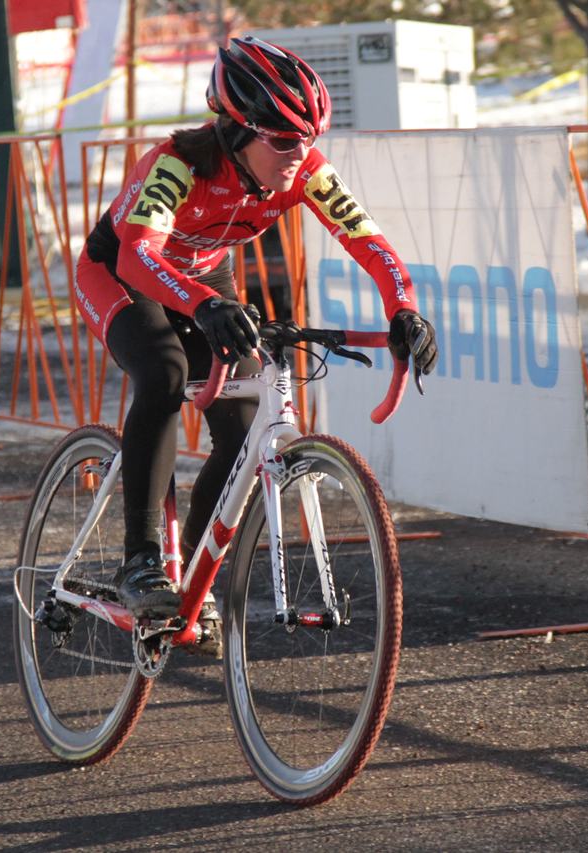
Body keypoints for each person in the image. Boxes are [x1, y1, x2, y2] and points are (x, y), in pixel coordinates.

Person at [72, 36, 439, 623]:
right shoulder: (178, 163)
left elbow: (368, 242)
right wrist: (201, 305)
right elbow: (138, 257)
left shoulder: (305, 170)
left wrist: (403, 308)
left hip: (202, 276)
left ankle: (189, 579)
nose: (300, 155)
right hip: (121, 272)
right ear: (239, 130)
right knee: (164, 373)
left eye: (310, 140)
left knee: (243, 433)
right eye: (286, 141)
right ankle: (141, 561)